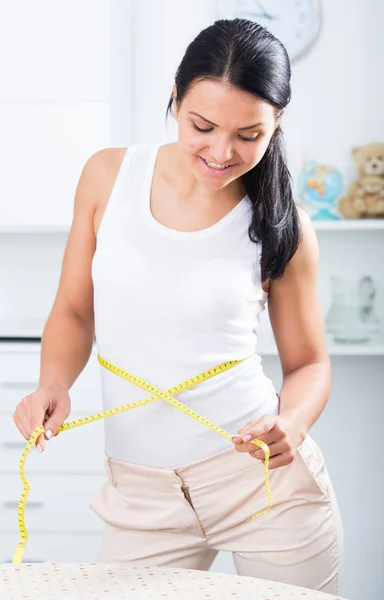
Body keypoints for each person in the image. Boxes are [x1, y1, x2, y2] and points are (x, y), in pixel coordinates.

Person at [14, 18, 343, 594]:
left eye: (249, 135)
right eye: (202, 125)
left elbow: (310, 363)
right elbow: (73, 308)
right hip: (142, 494)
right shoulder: (107, 177)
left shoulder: (282, 223)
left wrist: (290, 423)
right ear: (175, 96)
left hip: (263, 486)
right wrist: (53, 382)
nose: (221, 151)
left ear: (276, 125)